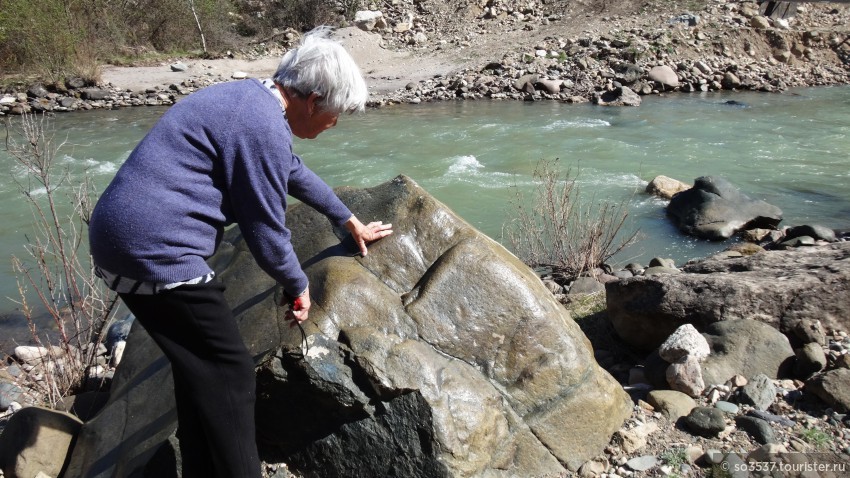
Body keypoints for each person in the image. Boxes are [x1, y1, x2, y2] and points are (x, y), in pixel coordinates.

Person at [88, 27, 393, 478]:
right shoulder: (261, 126)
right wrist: (297, 284)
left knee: (199, 369)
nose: (334, 124)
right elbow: (266, 230)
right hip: (158, 253)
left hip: (117, 244)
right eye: (335, 114)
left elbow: (292, 172)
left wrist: (346, 219)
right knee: (230, 374)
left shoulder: (245, 100)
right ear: (312, 100)